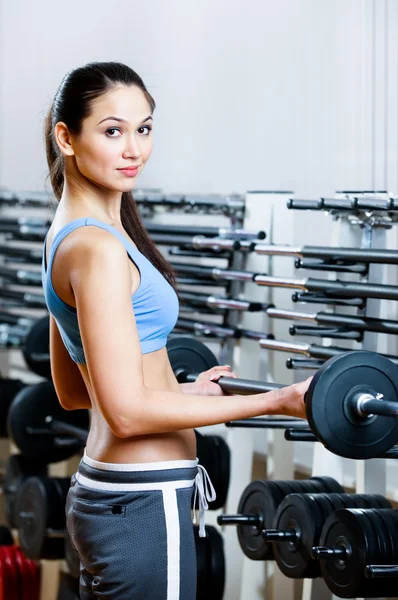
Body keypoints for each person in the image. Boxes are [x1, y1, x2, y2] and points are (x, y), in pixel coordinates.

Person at [41, 61, 311, 600]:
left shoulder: (70, 233)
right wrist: (275, 401)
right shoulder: (96, 248)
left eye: (143, 129)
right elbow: (124, 411)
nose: (134, 149)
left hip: (115, 495)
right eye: (113, 130)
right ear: (66, 138)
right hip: (141, 503)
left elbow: (75, 391)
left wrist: (179, 392)